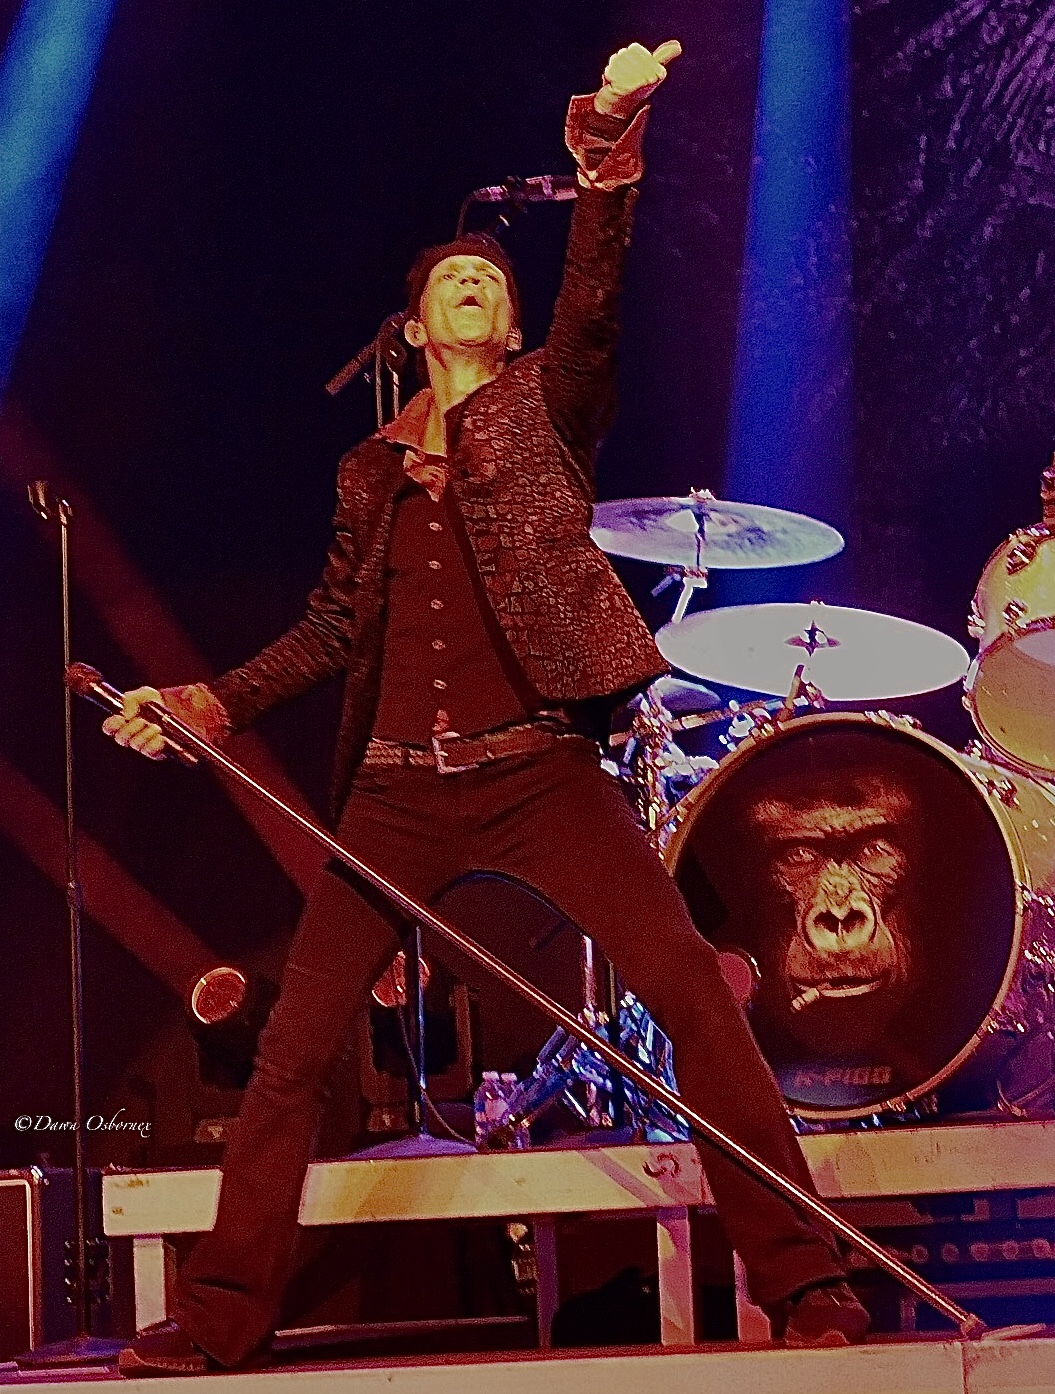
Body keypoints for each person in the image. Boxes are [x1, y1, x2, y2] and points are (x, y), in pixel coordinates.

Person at [106, 41, 868, 1374]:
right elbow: (334, 627)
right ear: (412, 330)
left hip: (540, 774)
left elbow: (596, 300)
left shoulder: (546, 409)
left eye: (492, 284)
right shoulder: (368, 472)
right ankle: (221, 1319)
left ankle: (807, 1279)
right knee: (292, 1051)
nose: (475, 285)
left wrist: (608, 157)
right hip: (396, 791)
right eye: (452, 280)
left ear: (508, 332)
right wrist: (207, 702)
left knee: (692, 992)